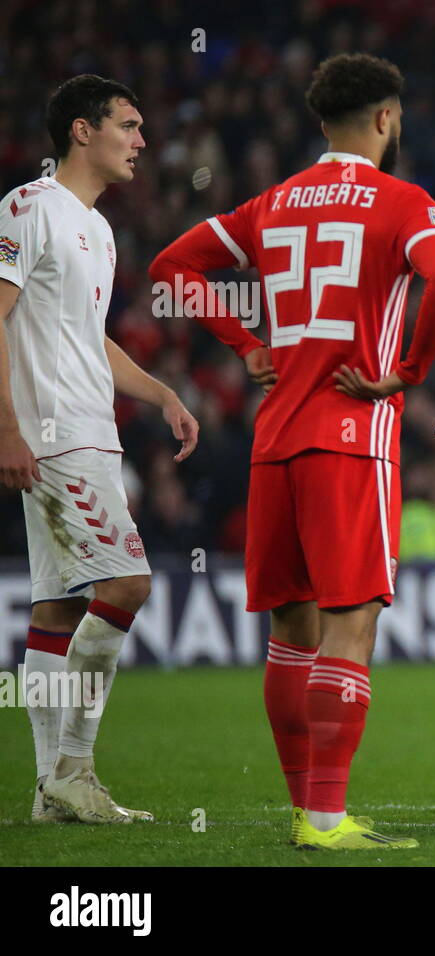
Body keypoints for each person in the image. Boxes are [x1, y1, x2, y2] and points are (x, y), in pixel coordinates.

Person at [149, 53, 435, 849]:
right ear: (387, 120)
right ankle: (327, 817)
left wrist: (245, 344)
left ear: (322, 123)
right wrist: (410, 373)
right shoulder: (404, 203)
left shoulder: (273, 203)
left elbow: (170, 267)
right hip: (353, 440)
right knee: (350, 626)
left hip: (276, 442)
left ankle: (304, 812)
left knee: (291, 633)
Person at [0, 74, 198, 824]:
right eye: (129, 125)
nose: (142, 140)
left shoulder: (98, 227)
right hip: (55, 436)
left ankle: (51, 792)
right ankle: (74, 769)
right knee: (127, 586)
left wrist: (162, 393)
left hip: (88, 431)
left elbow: (89, 339)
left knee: (54, 610)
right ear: (82, 131)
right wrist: (7, 427)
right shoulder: (28, 208)